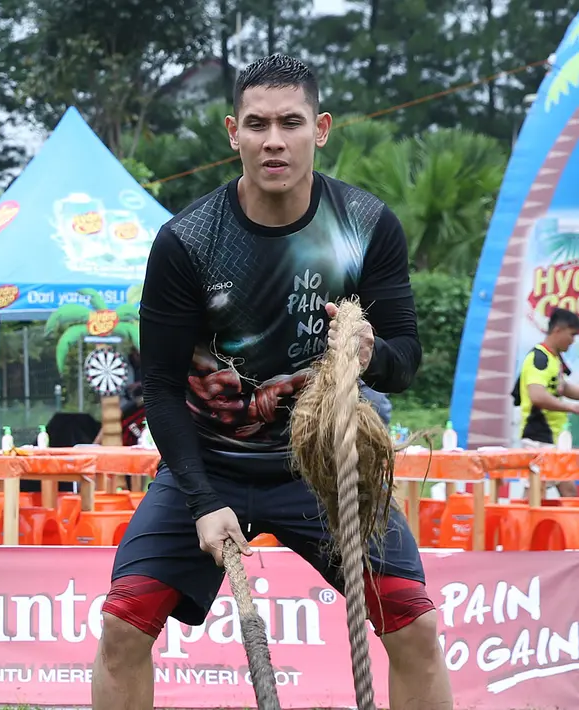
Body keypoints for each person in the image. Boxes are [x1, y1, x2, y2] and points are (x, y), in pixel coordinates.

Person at [91, 55, 452, 710]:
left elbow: (405, 358)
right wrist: (200, 501)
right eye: (256, 124)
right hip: (206, 465)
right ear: (232, 131)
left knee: (415, 627)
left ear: (321, 128)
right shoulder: (185, 241)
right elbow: (162, 389)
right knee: (121, 626)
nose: (273, 140)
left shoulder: (366, 226)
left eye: (290, 122)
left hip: (325, 469)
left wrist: (369, 352)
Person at [511, 307, 579, 496]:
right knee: (536, 494)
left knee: (568, 492)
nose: (573, 341)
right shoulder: (538, 358)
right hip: (538, 437)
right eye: (572, 335)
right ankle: (520, 526)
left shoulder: (553, 358)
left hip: (552, 438)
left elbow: (562, 387)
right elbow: (537, 395)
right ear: (558, 330)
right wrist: (571, 407)